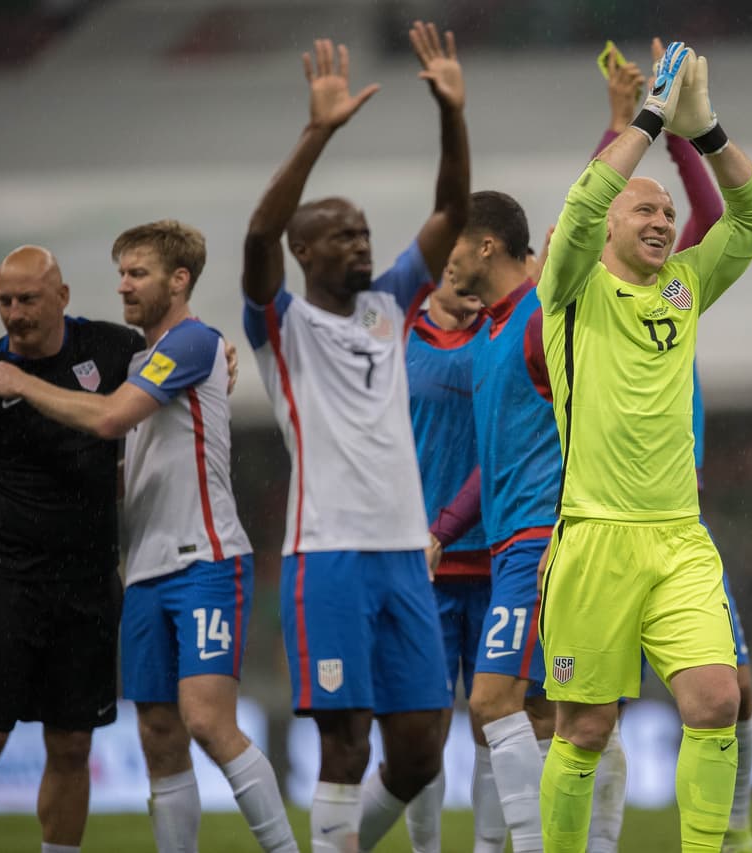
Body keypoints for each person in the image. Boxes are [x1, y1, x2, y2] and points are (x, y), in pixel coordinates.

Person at [0, 221, 297, 852]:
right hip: (143, 572)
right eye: (122, 272)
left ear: (178, 281)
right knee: (157, 733)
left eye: (138, 273)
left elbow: (109, 419)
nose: (123, 284)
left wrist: (20, 383)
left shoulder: (193, 341)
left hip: (204, 559)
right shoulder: (140, 358)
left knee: (206, 721)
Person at [535, 41, 752, 852]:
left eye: (669, 215)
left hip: (678, 537)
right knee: (584, 726)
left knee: (717, 700)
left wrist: (701, 127)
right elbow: (578, 207)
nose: (663, 222)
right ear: (608, 224)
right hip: (595, 535)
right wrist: (645, 119)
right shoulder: (570, 287)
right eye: (646, 211)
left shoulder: (686, 283)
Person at [239, 25, 469, 853]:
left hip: (405, 553)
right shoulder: (282, 324)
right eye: (343, 234)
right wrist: (319, 133)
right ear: (305, 252)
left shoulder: (387, 307)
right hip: (327, 552)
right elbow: (256, 240)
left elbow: (450, 210)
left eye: (367, 231)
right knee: (347, 740)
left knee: (420, 745)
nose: (364, 243)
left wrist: (452, 113)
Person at [0, 246, 142, 853]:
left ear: (63, 297)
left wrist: (219, 355)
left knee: (72, 744)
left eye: (28, 299)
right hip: (1, 585)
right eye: (4, 301)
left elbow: (177, 357)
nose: (14, 314)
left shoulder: (112, 349)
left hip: (88, 584)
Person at [444, 189, 560, 853]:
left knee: (492, 704)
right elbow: (496, 459)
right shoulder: (490, 330)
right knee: (549, 712)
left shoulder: (541, 319)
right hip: (507, 543)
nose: (445, 258)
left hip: (541, 541)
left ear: (486, 244)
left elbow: (588, 425)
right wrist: (442, 530)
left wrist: (568, 523)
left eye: (454, 244)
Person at [403, 268, 502, 853]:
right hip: (423, 568)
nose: (471, 280)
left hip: (500, 561)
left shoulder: (506, 333)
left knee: (496, 719)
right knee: (423, 730)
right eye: (457, 268)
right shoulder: (397, 336)